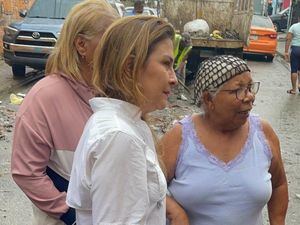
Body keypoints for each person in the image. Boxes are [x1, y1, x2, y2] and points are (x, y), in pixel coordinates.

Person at [11, 1, 119, 225]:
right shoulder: (44, 97)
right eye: (110, 41)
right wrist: (71, 214)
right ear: (81, 45)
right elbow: (26, 173)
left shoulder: (111, 91)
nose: (118, 50)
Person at [66, 16, 177, 224]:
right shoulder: (120, 136)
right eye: (166, 64)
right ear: (129, 67)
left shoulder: (125, 124)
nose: (174, 78)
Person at [161, 55, 288, 225]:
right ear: (208, 99)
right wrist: (175, 212)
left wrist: (278, 222)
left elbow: (279, 184)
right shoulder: (180, 137)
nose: (249, 96)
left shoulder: (263, 133)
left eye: (250, 87)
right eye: (238, 90)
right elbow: (149, 187)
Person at [285, 15, 300, 94]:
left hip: (295, 49)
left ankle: (294, 89)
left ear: (298, 18)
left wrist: (286, 52)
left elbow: (288, 39)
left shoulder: (294, 26)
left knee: (294, 69)